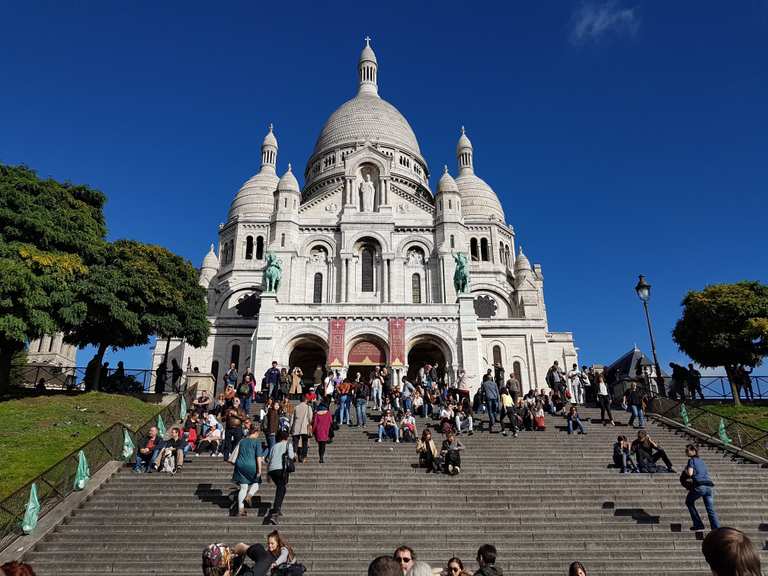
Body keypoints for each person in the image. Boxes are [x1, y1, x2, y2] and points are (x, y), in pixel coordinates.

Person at [228, 423, 265, 517]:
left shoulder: (242, 441)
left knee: (243, 487)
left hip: (240, 465)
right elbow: (258, 457)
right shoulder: (257, 442)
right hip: (251, 465)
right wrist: (259, 470)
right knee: (256, 483)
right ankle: (249, 496)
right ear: (257, 431)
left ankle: (241, 509)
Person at [683, 444, 721, 531]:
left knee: (689, 502)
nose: (685, 452)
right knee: (710, 509)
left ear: (693, 451)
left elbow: (690, 473)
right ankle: (716, 529)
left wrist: (685, 470)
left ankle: (698, 524)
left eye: (687, 450)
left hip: (700, 486)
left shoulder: (691, 460)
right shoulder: (702, 461)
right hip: (709, 486)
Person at [267, 430, 295, 523]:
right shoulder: (288, 444)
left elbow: (269, 458)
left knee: (282, 488)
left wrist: (268, 474)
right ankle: (275, 511)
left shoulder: (274, 446)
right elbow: (291, 456)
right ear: (286, 437)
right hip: (281, 469)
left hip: (272, 469)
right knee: (281, 488)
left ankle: (278, 508)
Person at [290, 393, 313, 463]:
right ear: (306, 399)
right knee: (305, 443)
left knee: (295, 442)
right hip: (305, 428)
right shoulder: (308, 407)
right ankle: (303, 457)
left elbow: (292, 418)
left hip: (296, 427)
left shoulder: (296, 407)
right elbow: (310, 418)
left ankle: (294, 455)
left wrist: (291, 427)